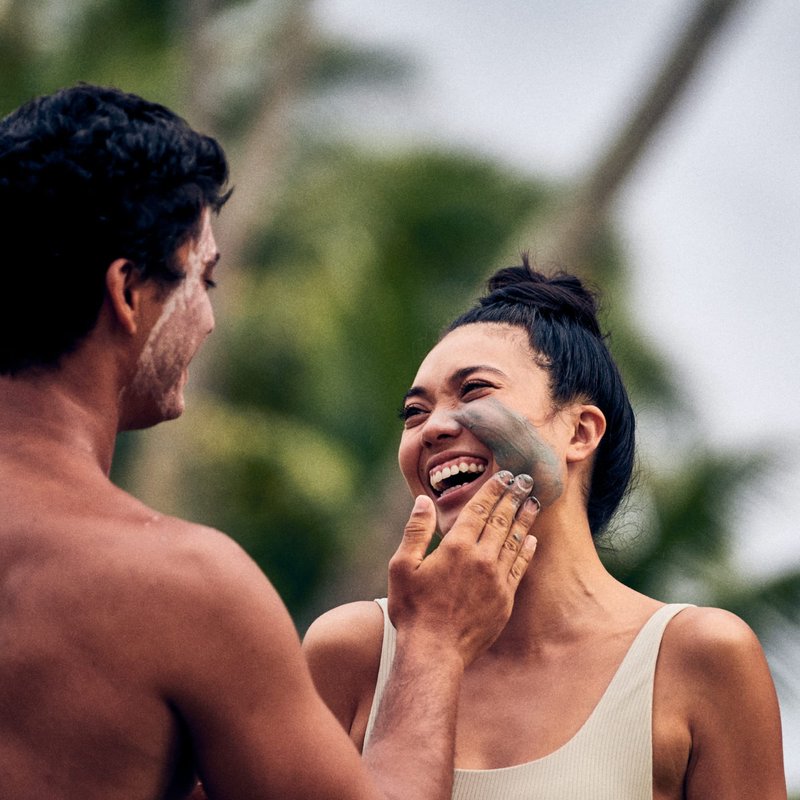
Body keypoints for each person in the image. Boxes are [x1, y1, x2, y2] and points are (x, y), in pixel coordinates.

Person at [0, 83, 540, 800]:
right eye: (205, 280)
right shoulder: (177, 587)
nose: (209, 319)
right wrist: (435, 644)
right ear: (128, 293)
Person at [303, 258, 788, 799]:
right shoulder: (353, 650)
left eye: (475, 390)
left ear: (580, 432)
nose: (433, 427)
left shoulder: (699, 657)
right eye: (414, 413)